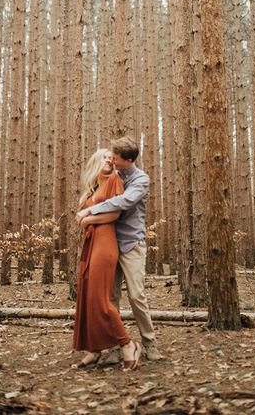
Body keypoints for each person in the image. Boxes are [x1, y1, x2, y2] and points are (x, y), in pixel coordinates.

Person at [76, 136, 163, 363]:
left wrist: (89, 213)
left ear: (128, 160)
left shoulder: (140, 179)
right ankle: (113, 345)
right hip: (109, 243)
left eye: (115, 157)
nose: (111, 159)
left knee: (136, 295)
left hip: (131, 243)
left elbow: (123, 202)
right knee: (111, 296)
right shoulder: (113, 175)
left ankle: (149, 343)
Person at [72, 148, 141, 370]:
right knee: (88, 297)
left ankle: (128, 344)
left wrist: (89, 219)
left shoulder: (114, 180)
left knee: (101, 299)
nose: (110, 161)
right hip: (92, 244)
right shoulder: (93, 187)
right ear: (95, 161)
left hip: (105, 242)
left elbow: (115, 214)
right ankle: (94, 350)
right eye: (105, 158)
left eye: (112, 159)